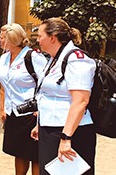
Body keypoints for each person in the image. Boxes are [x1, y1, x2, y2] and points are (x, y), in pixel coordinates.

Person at [31, 18, 96, 175]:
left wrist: (66, 138)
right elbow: (48, 95)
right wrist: (40, 124)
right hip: (51, 129)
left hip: (72, 131)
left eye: (40, 36)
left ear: (52, 37)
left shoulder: (76, 59)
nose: (37, 40)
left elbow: (80, 101)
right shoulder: (54, 59)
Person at [0, 23, 47, 175]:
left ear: (12, 40)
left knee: (35, 156)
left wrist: (41, 114)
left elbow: (46, 85)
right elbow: (3, 87)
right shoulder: (4, 59)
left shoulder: (33, 57)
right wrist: (3, 109)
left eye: (2, 38)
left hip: (31, 115)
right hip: (13, 113)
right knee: (19, 152)